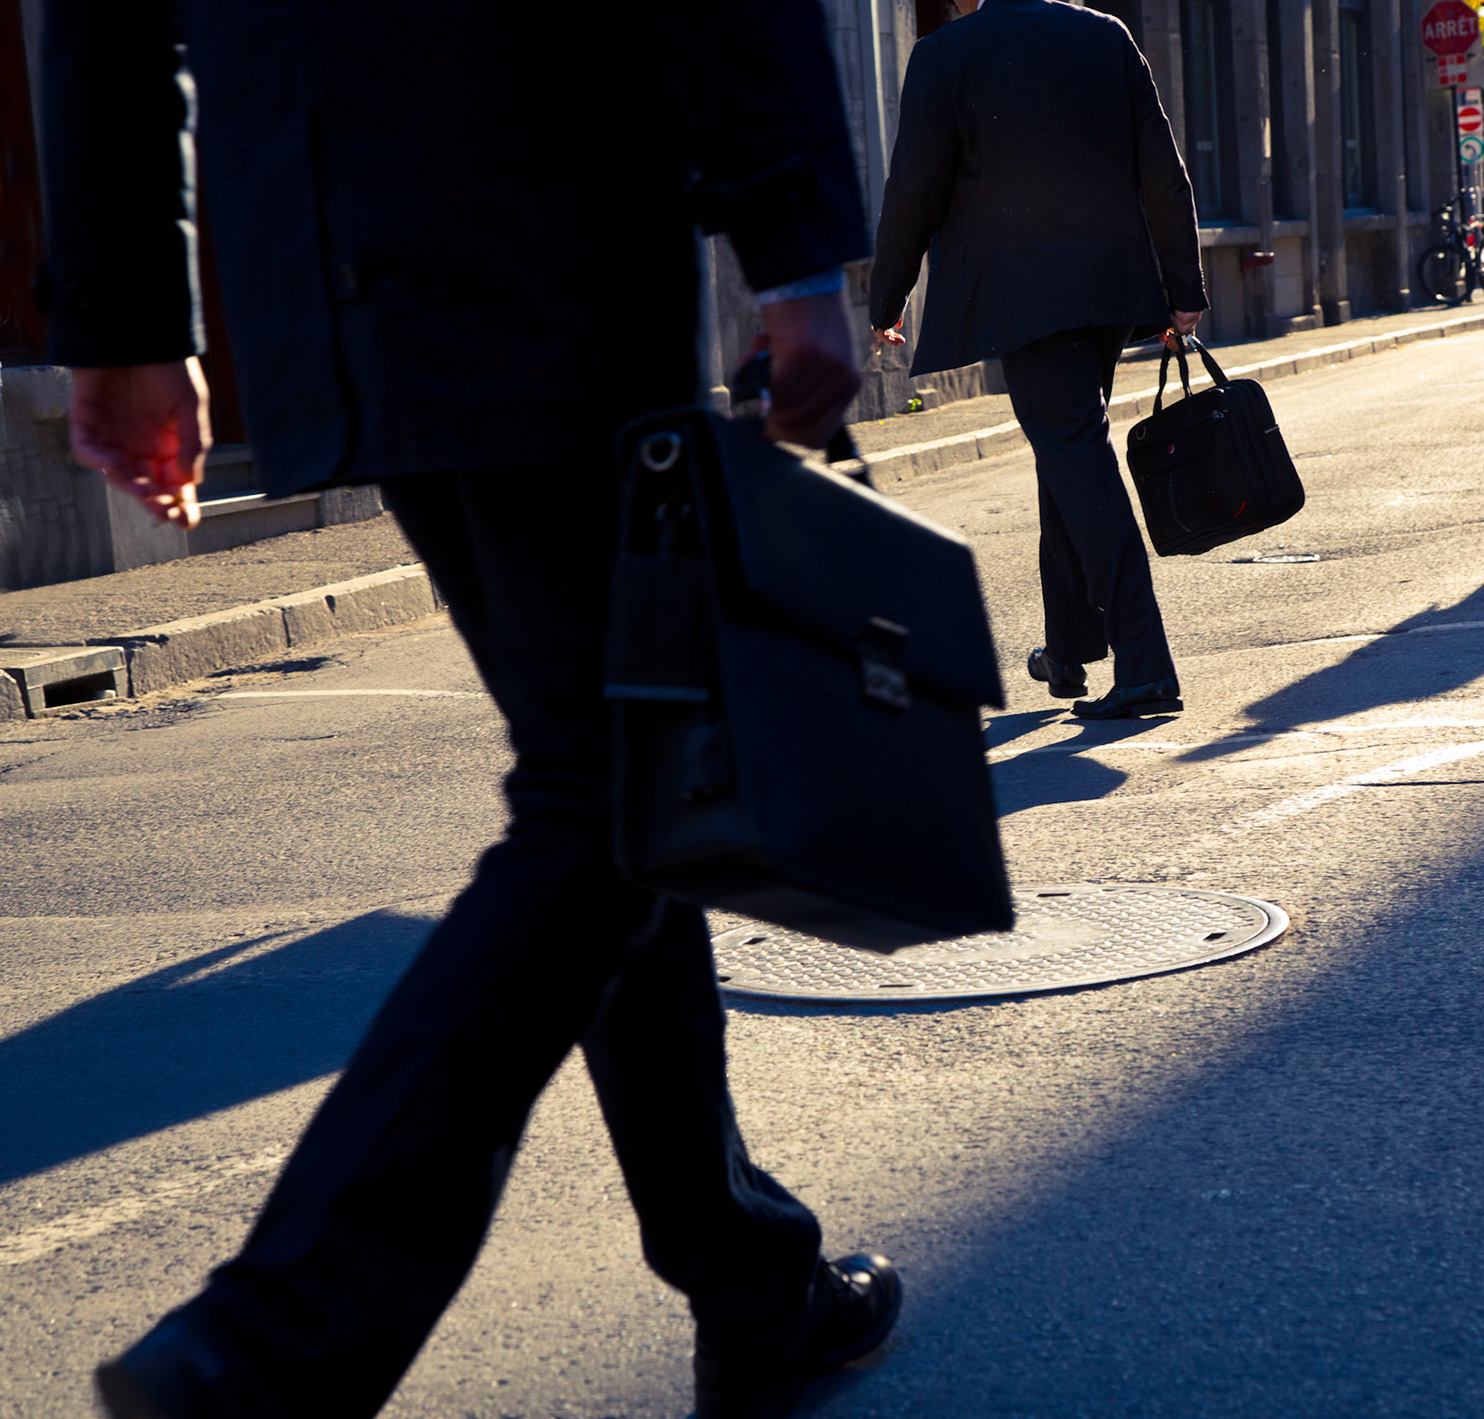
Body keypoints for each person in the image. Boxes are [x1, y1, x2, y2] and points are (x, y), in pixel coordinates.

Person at [41, 4, 898, 1417]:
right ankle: (272, 1339)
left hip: (321, 252)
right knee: (603, 783)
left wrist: (128, 316)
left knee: (625, 769)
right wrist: (792, 245)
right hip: (543, 218)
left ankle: (753, 1279)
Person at [869, 0, 1205, 720]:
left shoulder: (945, 55)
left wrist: (885, 297)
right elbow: (1162, 168)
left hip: (1024, 297)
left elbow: (913, 187)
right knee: (1070, 451)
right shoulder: (1103, 35)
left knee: (1075, 454)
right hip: (1109, 287)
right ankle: (1070, 648)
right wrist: (1184, 287)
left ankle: (1147, 667)